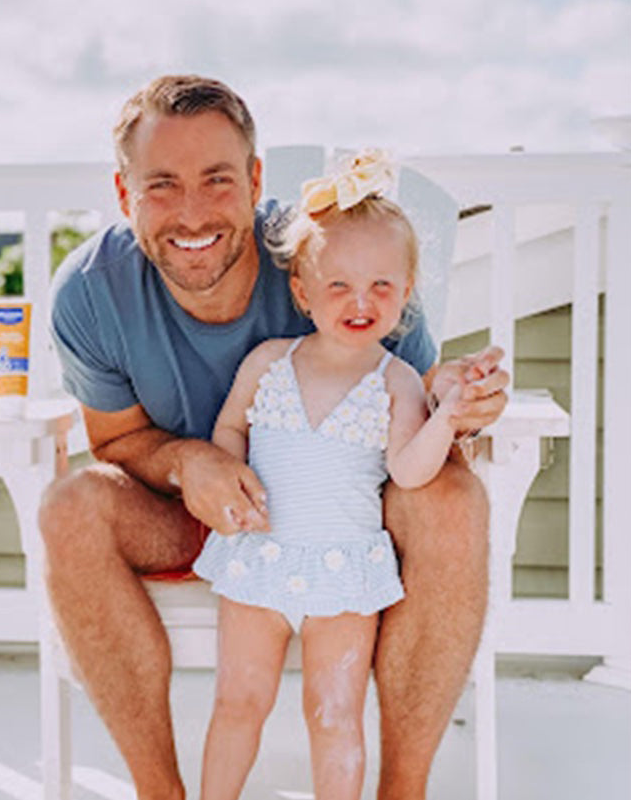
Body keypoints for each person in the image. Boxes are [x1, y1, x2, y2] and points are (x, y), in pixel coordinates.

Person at [41, 74, 508, 800]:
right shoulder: (91, 293)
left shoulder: (335, 253)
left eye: (217, 179)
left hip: (344, 522)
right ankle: (162, 793)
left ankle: (402, 792)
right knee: (69, 507)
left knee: (455, 499)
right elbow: (116, 441)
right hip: (187, 513)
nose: (192, 211)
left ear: (256, 179)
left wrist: (458, 396)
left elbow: (414, 384)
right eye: (162, 184)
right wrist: (190, 460)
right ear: (124, 191)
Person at [193, 150, 462, 800]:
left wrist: (447, 414)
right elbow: (229, 429)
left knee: (335, 713)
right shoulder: (267, 362)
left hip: (344, 570)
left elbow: (407, 467)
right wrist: (229, 474)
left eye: (381, 286)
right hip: (258, 558)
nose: (360, 302)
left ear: (405, 292)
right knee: (238, 701)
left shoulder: (395, 381)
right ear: (303, 291)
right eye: (338, 285)